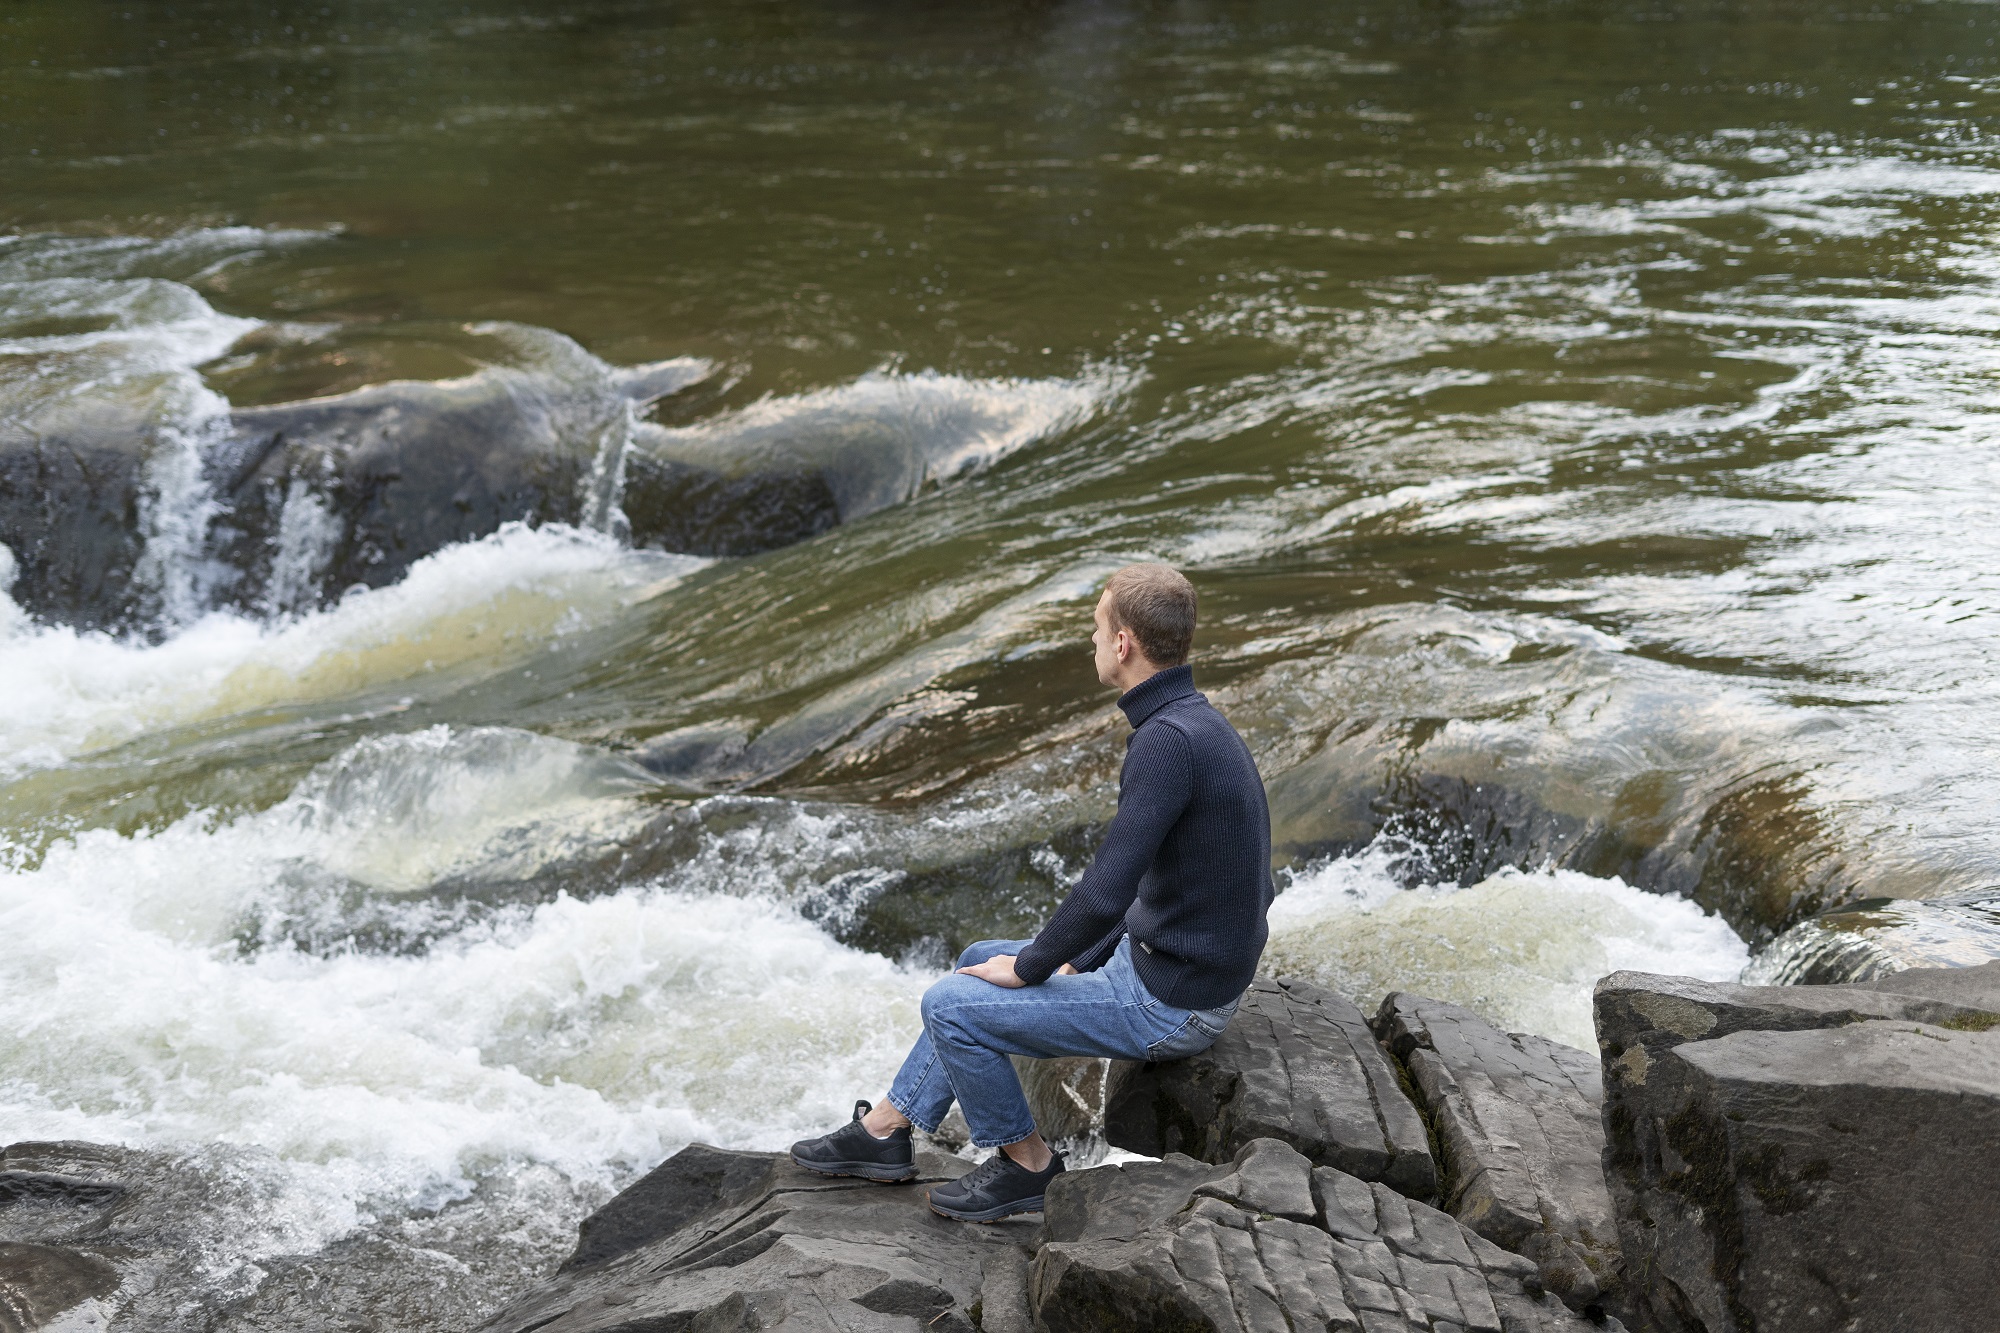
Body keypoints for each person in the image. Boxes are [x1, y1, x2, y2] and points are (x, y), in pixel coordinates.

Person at [789, 562, 1274, 1222]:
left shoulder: (1166, 743)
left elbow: (1106, 888)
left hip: (1170, 1003)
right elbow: (1156, 881)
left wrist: (1034, 964)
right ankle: (887, 1129)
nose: (1092, 640)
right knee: (976, 957)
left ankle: (1028, 1165)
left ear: (1125, 642)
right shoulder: (1196, 724)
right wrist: (1074, 956)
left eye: (1097, 627)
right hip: (1179, 973)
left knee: (953, 1004)